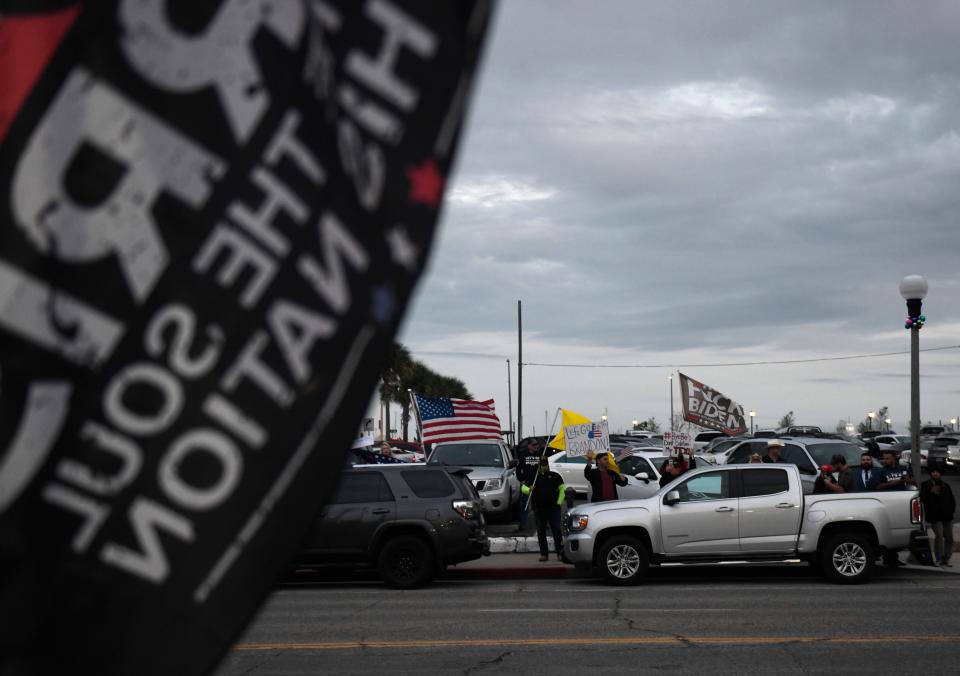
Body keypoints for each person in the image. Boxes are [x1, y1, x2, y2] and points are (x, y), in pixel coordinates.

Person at [521, 456, 566, 561]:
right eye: (542, 464)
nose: (544, 466)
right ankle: (544, 554)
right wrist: (529, 489)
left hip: (553, 508)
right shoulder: (534, 477)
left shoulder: (555, 476)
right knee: (541, 532)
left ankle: (560, 553)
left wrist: (559, 502)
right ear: (539, 465)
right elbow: (523, 488)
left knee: (557, 531)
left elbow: (562, 488)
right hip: (539, 508)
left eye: (545, 464)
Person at [920, 463, 955, 567]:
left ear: (940, 474)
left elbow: (952, 500)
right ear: (930, 473)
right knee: (939, 537)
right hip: (935, 517)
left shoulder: (945, 485)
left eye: (937, 472)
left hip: (947, 516)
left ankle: (946, 558)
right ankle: (939, 559)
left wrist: (951, 511)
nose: (935, 474)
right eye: (933, 472)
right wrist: (930, 492)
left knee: (949, 538)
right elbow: (922, 499)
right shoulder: (926, 484)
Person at [515, 439, 543, 528]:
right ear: (529, 446)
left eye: (537, 445)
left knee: (539, 505)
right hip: (526, 485)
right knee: (524, 504)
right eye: (534, 445)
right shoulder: (523, 455)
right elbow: (518, 469)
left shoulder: (539, 455)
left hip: (537, 485)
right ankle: (523, 524)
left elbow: (545, 469)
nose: (536, 446)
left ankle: (541, 524)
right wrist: (522, 481)